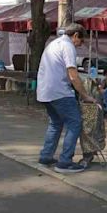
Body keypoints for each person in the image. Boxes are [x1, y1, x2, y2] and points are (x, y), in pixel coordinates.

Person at [37, 23, 96, 174]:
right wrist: (85, 95)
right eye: (81, 41)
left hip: (45, 91)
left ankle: (46, 156)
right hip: (59, 92)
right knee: (74, 123)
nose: (80, 45)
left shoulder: (54, 43)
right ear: (75, 35)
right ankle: (65, 162)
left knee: (55, 123)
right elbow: (73, 75)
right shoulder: (68, 46)